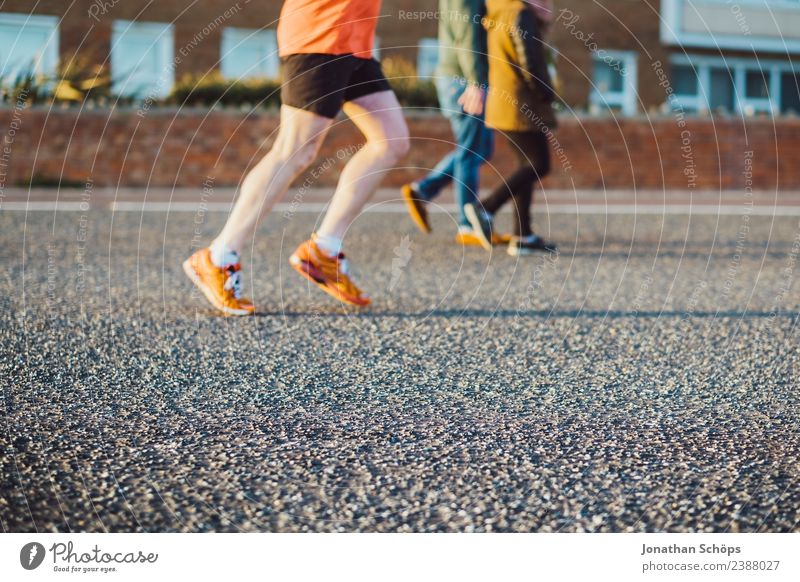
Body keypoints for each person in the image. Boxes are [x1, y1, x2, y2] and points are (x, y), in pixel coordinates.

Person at [183, 0, 409, 315]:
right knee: (295, 150)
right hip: (320, 32)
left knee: (392, 141)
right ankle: (219, 256)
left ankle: (323, 251)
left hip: (355, 42)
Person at [400, 0, 505, 247]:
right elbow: (468, 34)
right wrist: (476, 81)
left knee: (482, 149)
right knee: (470, 153)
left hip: (459, 77)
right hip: (463, 79)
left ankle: (423, 190)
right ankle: (467, 225)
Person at [463, 0, 558, 256]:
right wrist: (547, 93)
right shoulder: (519, 14)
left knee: (525, 166)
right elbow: (530, 62)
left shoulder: (498, 9)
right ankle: (486, 208)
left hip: (504, 102)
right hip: (522, 104)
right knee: (539, 164)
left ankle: (523, 236)